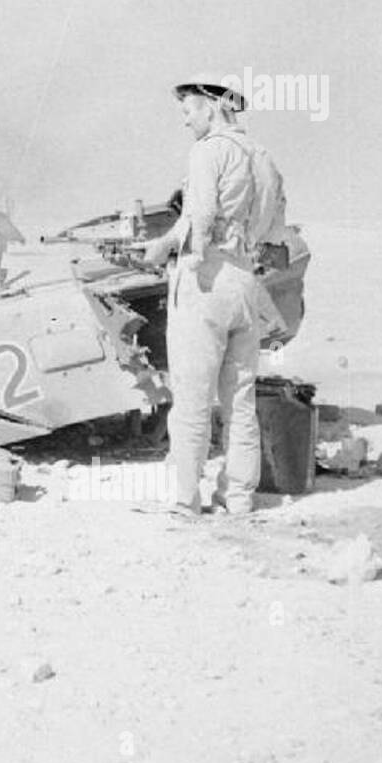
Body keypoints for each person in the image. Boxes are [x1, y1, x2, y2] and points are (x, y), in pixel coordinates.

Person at [142, 74, 278, 517]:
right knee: (241, 402)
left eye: (188, 111)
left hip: (206, 282)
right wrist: (162, 246)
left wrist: (194, 256)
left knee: (192, 399)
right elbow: (265, 223)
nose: (186, 122)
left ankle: (186, 499)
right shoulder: (261, 157)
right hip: (244, 281)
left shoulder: (207, 150)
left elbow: (201, 212)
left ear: (212, 106)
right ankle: (238, 499)